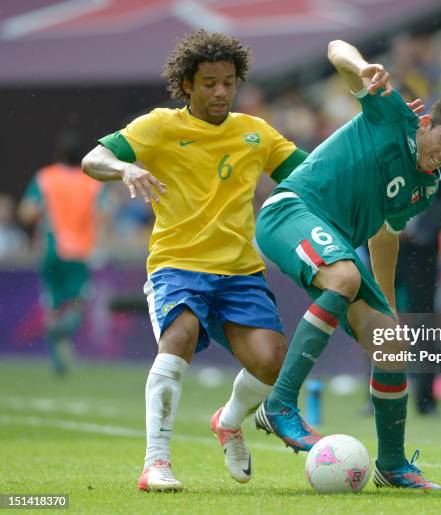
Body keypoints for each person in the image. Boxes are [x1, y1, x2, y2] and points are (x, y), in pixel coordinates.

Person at [81, 30, 311, 492]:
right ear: (187, 85)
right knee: (179, 336)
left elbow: (313, 172)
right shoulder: (160, 126)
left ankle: (227, 422)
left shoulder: (256, 133)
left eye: (228, 82)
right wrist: (125, 167)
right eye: (209, 83)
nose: (221, 91)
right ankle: (156, 462)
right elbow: (93, 159)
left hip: (241, 272)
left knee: (272, 362)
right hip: (177, 265)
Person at [254, 39, 441, 490]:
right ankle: (279, 404)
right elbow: (336, 49)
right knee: (343, 274)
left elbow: (384, 234)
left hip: (334, 240)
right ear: (426, 122)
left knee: (392, 341)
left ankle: (392, 466)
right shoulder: (392, 112)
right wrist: (363, 66)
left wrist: (390, 303)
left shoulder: (427, 186)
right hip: (291, 210)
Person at [18, 130, 105, 377]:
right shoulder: (90, 182)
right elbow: (103, 214)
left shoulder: (46, 178)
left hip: (52, 248)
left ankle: (58, 359)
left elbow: (26, 212)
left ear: (58, 155)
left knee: (53, 305)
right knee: (78, 303)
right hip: (80, 251)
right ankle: (66, 329)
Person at [396, 158, 441, 416]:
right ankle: (376, 392)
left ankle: (426, 398)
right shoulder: (388, 135)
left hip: (422, 250)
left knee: (423, 321)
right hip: (383, 241)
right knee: (377, 315)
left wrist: (422, 229)